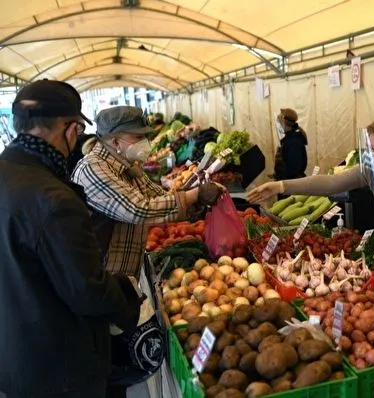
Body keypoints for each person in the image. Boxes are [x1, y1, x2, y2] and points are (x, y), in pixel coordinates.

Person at [0, 80, 140, 397]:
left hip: (15, 354)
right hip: (61, 366)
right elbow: (87, 290)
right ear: (68, 128)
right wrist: (129, 297)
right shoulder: (53, 198)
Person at [72, 106, 222, 277]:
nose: (146, 142)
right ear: (115, 142)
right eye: (138, 137)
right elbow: (138, 210)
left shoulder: (128, 164)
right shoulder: (92, 169)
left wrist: (196, 199)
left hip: (122, 275)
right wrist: (193, 195)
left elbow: (159, 196)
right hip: (99, 277)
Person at [273, 108, 308, 181]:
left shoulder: (293, 143)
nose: (277, 125)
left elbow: (293, 171)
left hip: (292, 187)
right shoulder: (289, 139)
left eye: (278, 123)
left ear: (284, 123)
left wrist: (279, 178)